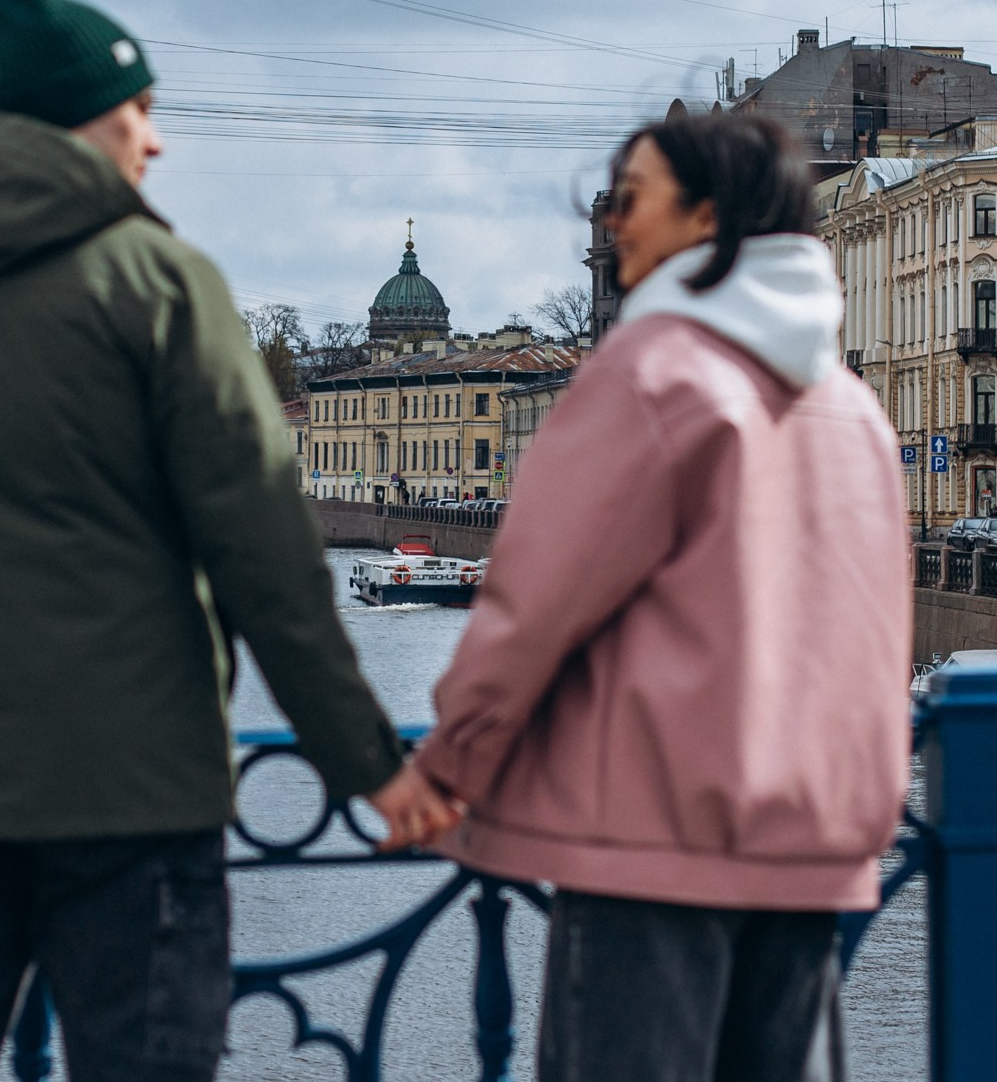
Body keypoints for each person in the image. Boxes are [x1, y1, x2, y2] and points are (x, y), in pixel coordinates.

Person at [0, 0, 449, 1082]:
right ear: (80, 121)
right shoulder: (159, 282)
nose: (157, 142)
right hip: (134, 797)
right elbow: (269, 556)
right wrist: (366, 762)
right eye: (139, 112)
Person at [373, 110, 912, 1082]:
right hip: (816, 853)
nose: (612, 220)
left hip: (657, 846)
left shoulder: (655, 371)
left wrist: (449, 762)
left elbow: (535, 600)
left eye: (633, 198)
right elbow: (876, 638)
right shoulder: (850, 404)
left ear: (706, 217)